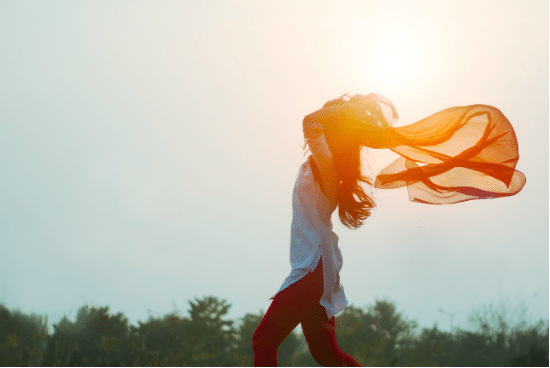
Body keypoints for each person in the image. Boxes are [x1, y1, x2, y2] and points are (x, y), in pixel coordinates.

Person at [252, 93, 525, 367]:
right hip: (316, 267)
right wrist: (348, 112)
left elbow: (310, 122)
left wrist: (347, 111)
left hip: (313, 267)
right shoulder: (329, 163)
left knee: (264, 341)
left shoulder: (327, 162)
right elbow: (316, 123)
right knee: (326, 355)